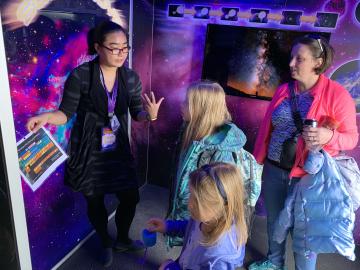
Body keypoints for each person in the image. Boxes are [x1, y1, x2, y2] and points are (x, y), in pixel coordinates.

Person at [26, 20, 164, 267]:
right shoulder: (81, 76)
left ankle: (122, 238)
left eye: (125, 48)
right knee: (95, 199)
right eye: (114, 48)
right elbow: (65, 113)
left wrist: (150, 115)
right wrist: (46, 116)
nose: (121, 53)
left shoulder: (130, 77)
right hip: (88, 148)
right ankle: (105, 240)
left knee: (130, 197)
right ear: (98, 47)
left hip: (117, 147)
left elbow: (137, 114)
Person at [249, 35, 358, 270]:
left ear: (317, 62)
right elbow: (268, 127)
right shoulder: (283, 90)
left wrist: (329, 137)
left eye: (300, 59)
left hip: (308, 178)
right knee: (275, 222)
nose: (291, 64)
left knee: (305, 232)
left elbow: (351, 138)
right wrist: (258, 160)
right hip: (274, 169)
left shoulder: (337, 95)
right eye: (292, 58)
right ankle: (274, 262)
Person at [167, 81, 250, 247]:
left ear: (201, 110)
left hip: (204, 228)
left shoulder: (221, 153)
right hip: (190, 218)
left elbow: (219, 207)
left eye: (187, 102)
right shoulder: (191, 131)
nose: (181, 105)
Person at [148, 162, 248, 270]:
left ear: (225, 207)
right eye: (191, 194)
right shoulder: (206, 217)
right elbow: (191, 228)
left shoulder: (219, 259)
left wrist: (169, 268)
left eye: (198, 201)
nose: (189, 204)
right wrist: (167, 226)